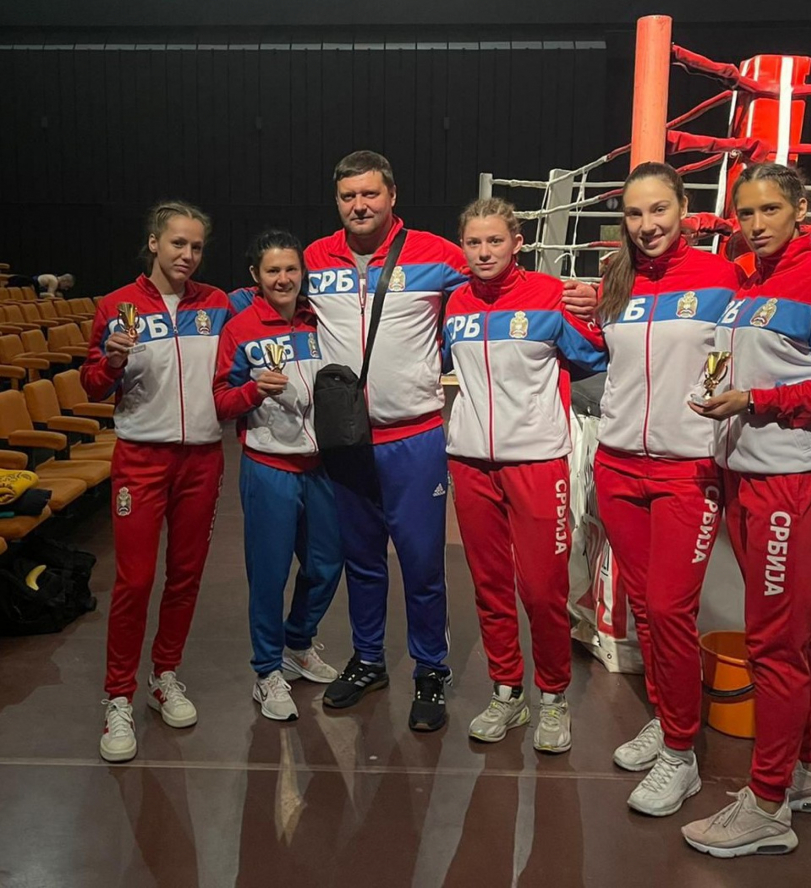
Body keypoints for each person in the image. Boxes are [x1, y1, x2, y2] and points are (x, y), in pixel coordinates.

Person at [303, 150, 598, 732]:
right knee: (361, 561)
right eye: (348, 196)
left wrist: (589, 297)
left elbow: (514, 290)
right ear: (337, 201)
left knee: (423, 565)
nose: (359, 205)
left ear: (392, 196)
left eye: (370, 193)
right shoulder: (315, 259)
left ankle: (432, 671)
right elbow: (271, 297)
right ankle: (368, 660)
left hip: (417, 438)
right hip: (349, 438)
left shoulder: (441, 256)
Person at [683, 162, 811, 857]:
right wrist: (721, 395)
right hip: (745, 476)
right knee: (790, 639)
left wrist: (759, 401)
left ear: (800, 209)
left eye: (770, 209)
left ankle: (768, 803)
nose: (756, 223)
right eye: (745, 212)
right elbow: (738, 367)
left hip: (789, 484)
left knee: (771, 645)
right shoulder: (744, 284)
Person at [591, 162, 737, 814]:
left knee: (672, 609)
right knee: (647, 609)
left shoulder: (720, 277)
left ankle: (682, 754)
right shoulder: (615, 282)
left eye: (658, 210)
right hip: (619, 465)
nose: (647, 225)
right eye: (634, 213)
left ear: (683, 207)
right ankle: (668, 716)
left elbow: (739, 354)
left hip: (688, 469)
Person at [442, 197, 607, 753]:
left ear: (517, 243)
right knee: (490, 587)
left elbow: (597, 355)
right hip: (470, 462)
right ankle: (507, 692)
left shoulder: (549, 295)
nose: (484, 252)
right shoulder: (455, 303)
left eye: (495, 241)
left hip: (537, 463)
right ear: (463, 247)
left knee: (541, 590)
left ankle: (553, 696)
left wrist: (597, 308)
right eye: (473, 242)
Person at [82, 200, 232, 763]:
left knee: (185, 576)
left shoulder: (217, 304)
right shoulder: (116, 305)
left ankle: (164, 675)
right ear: (154, 243)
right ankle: (118, 696)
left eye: (196, 247)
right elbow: (92, 384)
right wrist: (111, 362)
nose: (187, 255)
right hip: (141, 459)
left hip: (202, 459)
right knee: (135, 580)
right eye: (177, 243)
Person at [213, 230, 343, 722]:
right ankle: (267, 670)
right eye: (273, 270)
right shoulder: (241, 329)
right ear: (256, 276)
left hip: (321, 466)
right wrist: (253, 393)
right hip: (269, 468)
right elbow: (221, 401)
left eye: (291, 269)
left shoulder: (321, 320)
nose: (284, 278)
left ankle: (298, 644)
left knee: (327, 564)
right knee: (269, 576)